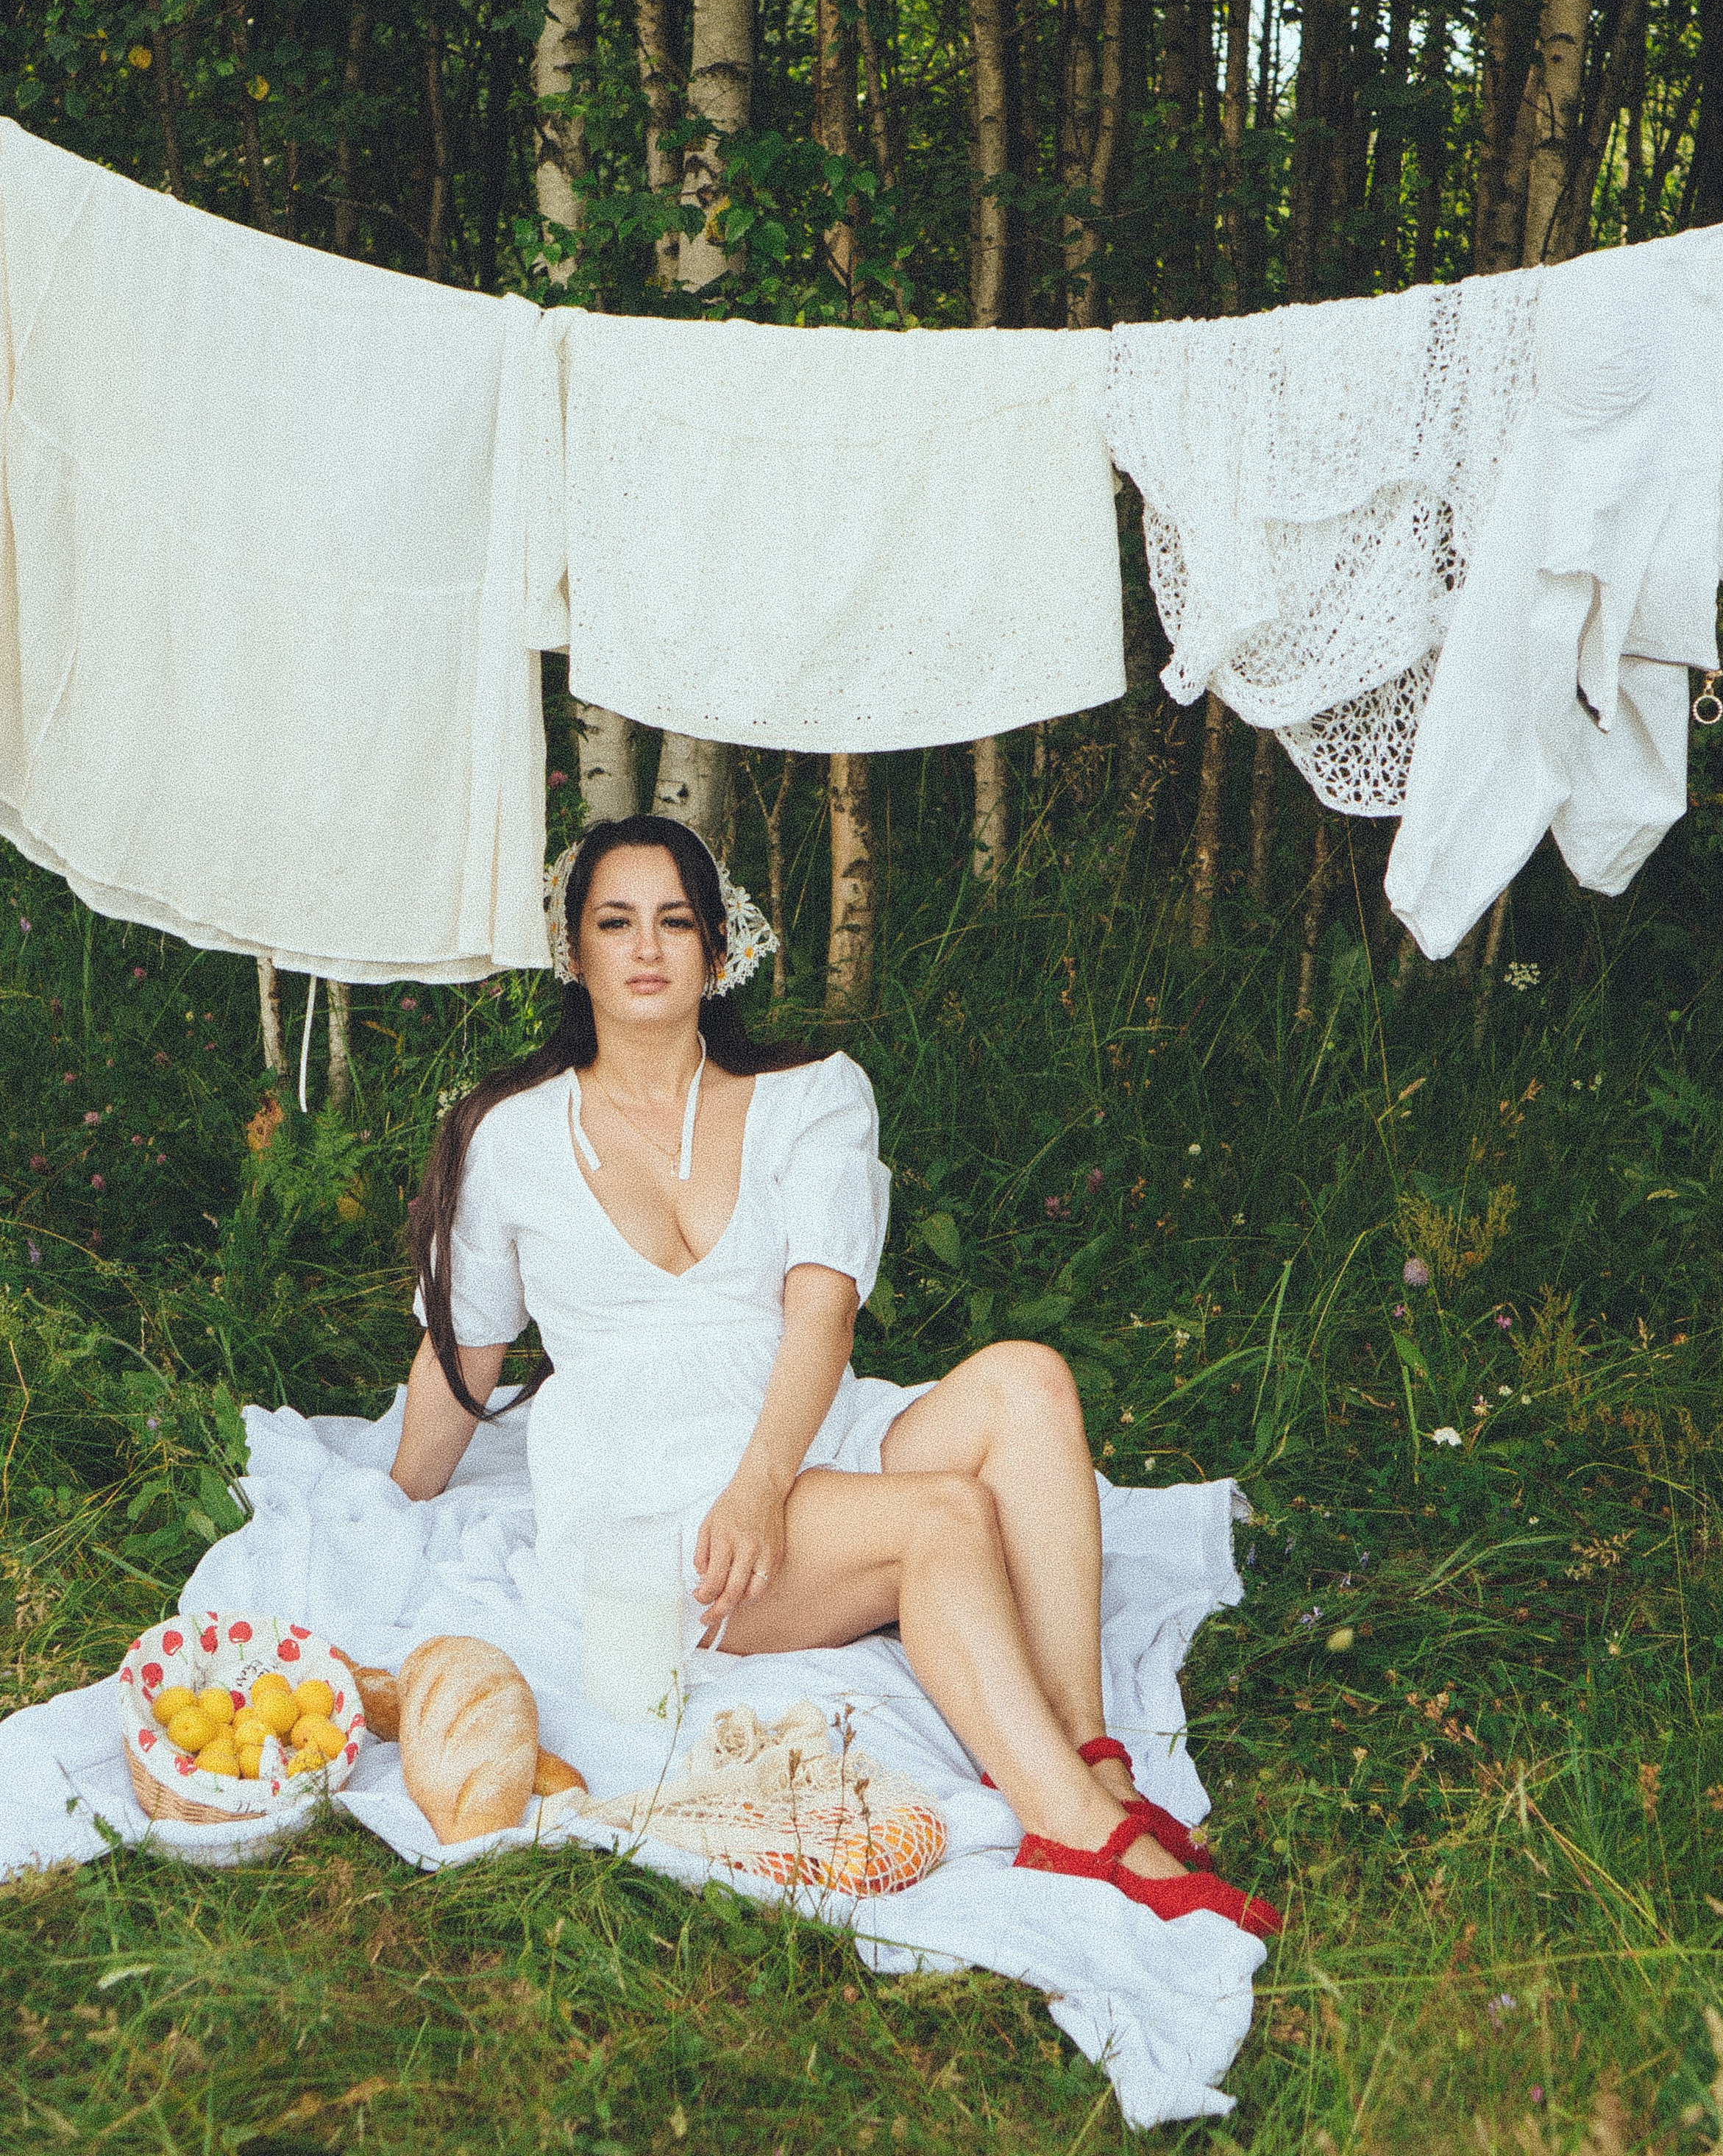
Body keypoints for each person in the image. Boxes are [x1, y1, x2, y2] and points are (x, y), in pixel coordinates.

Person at [391, 815, 1278, 1935]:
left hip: (797, 1433)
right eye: (616, 922)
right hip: (655, 1494)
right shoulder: (511, 1137)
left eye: (677, 921)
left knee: (1031, 1380)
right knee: (942, 1520)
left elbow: (824, 1309)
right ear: (576, 950)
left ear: (721, 951)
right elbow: (463, 1350)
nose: (648, 948)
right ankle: (1080, 1835)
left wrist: (767, 1476)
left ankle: (1087, 1754)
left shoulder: (811, 1096)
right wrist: (398, 1494)